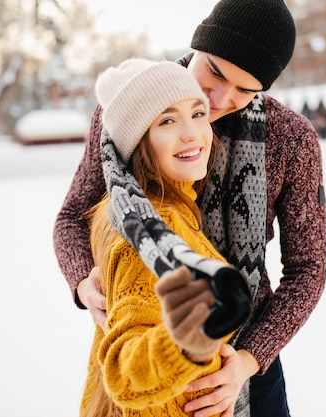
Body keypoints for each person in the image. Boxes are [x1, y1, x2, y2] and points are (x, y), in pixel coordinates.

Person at [54, 1, 326, 416]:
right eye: (215, 71)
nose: (220, 98)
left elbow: (309, 267)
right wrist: (83, 283)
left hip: (247, 356)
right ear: (198, 43)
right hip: (150, 340)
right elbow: (72, 216)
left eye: (245, 90)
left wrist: (248, 361)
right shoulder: (130, 105)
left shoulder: (291, 139)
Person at [81, 58, 238, 417]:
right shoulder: (153, 227)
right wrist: (189, 340)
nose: (192, 133)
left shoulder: (147, 208)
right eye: (167, 120)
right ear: (137, 141)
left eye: (198, 113)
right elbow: (123, 372)